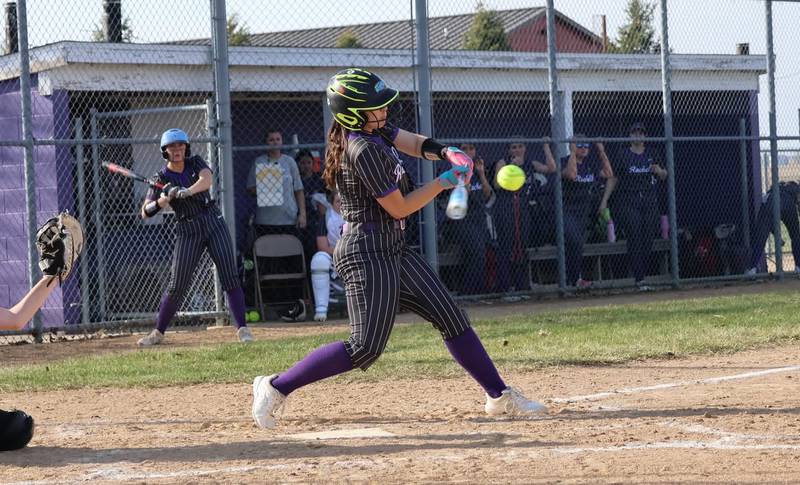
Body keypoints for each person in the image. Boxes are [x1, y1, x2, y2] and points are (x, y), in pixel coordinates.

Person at [251, 68, 547, 429]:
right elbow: (400, 207)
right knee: (365, 348)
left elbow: (414, 142)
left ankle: (499, 396)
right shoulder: (361, 149)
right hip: (365, 252)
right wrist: (443, 182)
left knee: (450, 316)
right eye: (376, 106)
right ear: (352, 114)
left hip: (392, 246)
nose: (385, 110)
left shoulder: (374, 130)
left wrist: (448, 152)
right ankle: (275, 387)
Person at [137, 128, 254, 346]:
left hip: (212, 221)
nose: (177, 149)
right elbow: (145, 212)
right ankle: (158, 332)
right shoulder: (160, 178)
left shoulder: (195, 162)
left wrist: (187, 191)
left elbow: (206, 180)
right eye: (172, 147)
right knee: (177, 285)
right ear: (165, 151)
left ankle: (243, 329)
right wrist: (164, 199)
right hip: (187, 228)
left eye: (181, 145)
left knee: (230, 275)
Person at [246, 128, 308, 322]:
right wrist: (266, 185)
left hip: (288, 220)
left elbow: (299, 190)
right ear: (266, 143)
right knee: (269, 266)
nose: (274, 142)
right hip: (266, 222)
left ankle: (293, 304)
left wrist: (302, 214)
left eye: (278, 139)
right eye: (271, 139)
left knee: (289, 263)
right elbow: (249, 189)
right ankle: (272, 306)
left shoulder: (289, 162)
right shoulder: (259, 162)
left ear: (282, 141)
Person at [604, 123, 667, 290]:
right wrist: (605, 200)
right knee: (634, 233)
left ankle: (641, 274)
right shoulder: (623, 154)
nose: (638, 135)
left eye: (641, 132)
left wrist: (659, 170)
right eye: (634, 132)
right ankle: (639, 279)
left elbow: (664, 175)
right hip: (629, 200)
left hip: (649, 200)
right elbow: (614, 178)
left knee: (648, 237)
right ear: (630, 136)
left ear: (644, 136)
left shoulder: (652, 153)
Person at [493, 139, 555, 292]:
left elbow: (551, 168)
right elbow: (496, 184)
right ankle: (505, 287)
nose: (517, 150)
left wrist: (546, 147)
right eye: (514, 147)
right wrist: (513, 168)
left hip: (523, 206)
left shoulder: (529, 163)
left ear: (525, 148)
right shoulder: (503, 163)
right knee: (506, 245)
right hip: (506, 206)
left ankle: (522, 286)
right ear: (509, 150)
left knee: (522, 245)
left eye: (520, 146)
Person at [557, 135, 613, 288]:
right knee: (574, 241)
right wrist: (573, 154)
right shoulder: (563, 161)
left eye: (586, 146)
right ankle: (571, 280)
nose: (584, 148)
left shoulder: (590, 164)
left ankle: (573, 280)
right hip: (566, 210)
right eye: (579, 145)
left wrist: (601, 151)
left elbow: (608, 173)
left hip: (583, 212)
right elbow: (571, 175)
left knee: (577, 244)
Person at [439, 142, 495, 294]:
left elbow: (488, 194)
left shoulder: (477, 171)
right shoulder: (453, 171)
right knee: (477, 252)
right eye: (464, 149)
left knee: (486, 251)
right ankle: (467, 292)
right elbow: (447, 200)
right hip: (459, 221)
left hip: (478, 219)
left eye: (471, 148)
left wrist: (481, 173)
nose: (469, 151)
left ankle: (480, 290)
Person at [746, 181, 800, 275]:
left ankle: (752, 268)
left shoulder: (773, 191)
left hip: (770, 202)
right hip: (786, 203)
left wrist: (777, 235)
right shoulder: (793, 188)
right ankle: (798, 266)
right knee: (795, 236)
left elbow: (766, 222)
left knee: (760, 237)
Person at [309, 190, 345, 321]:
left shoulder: (358, 215)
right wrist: (341, 252)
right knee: (318, 260)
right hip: (335, 255)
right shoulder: (327, 218)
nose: (341, 204)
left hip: (357, 256)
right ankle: (321, 310)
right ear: (332, 203)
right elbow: (322, 246)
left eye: (344, 201)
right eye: (338, 201)